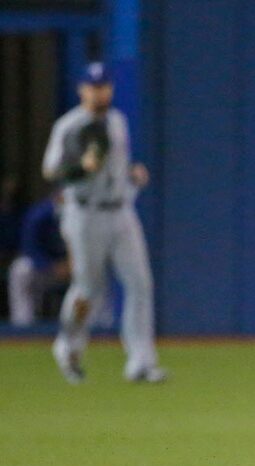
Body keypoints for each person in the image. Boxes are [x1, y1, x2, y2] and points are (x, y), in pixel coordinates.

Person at [42, 62, 165, 383]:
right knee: (88, 288)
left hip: (122, 210)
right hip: (85, 213)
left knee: (140, 283)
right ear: (82, 90)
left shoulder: (118, 122)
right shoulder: (68, 126)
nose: (100, 92)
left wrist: (131, 174)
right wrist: (81, 169)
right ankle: (68, 345)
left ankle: (141, 361)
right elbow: (51, 171)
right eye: (94, 86)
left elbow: (116, 166)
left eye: (105, 86)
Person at [7, 194, 70, 326]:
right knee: (20, 270)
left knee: (99, 271)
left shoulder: (84, 213)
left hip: (73, 269)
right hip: (45, 270)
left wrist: (71, 264)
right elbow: (29, 247)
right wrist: (51, 266)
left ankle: (100, 328)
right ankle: (23, 327)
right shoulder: (40, 214)